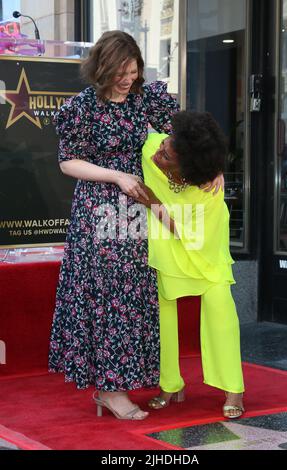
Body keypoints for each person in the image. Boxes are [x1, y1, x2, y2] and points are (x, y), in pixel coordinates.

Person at [48, 30, 180, 420]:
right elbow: (67, 161)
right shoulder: (81, 108)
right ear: (101, 68)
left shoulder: (148, 100)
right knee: (108, 297)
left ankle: (124, 382)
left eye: (132, 68)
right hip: (99, 210)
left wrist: (208, 170)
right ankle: (110, 389)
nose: (127, 77)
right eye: (119, 70)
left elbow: (180, 138)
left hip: (143, 208)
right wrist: (116, 176)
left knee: (135, 295)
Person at [135, 111, 245, 419]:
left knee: (220, 306)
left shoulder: (207, 190)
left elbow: (187, 232)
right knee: (165, 310)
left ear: (186, 171)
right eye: (165, 144)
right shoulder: (153, 148)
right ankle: (170, 384)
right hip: (166, 245)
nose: (159, 152)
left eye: (167, 155)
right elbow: (142, 127)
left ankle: (233, 387)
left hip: (204, 244)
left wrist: (151, 202)